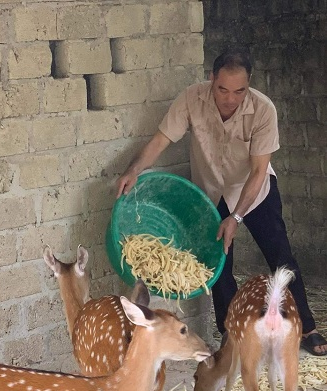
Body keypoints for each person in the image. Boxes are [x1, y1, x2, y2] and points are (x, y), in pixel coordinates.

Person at [116, 47, 326, 357]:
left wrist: (237, 217)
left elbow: (257, 172)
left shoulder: (263, 110)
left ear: (249, 84)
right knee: (219, 266)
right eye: (223, 89)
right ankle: (231, 333)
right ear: (212, 79)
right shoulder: (191, 99)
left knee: (280, 256)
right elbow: (160, 140)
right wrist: (133, 170)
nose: (230, 98)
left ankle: (306, 326)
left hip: (255, 193)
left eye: (239, 90)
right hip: (211, 191)